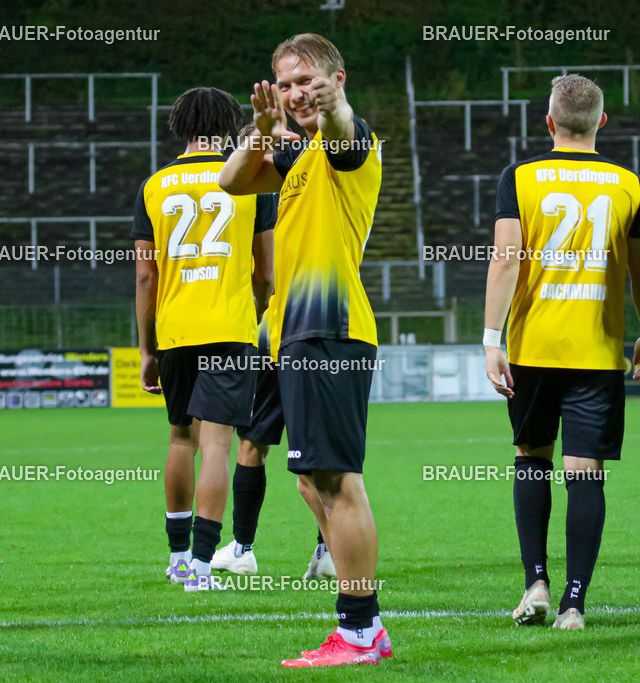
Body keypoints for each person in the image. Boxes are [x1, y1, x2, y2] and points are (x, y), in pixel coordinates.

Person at [219, 33, 389, 667]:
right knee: (310, 481)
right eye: (285, 85)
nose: (296, 95)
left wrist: (334, 105)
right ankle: (361, 623)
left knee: (338, 482)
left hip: (329, 331)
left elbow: (344, 126)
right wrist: (259, 129)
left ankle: (361, 631)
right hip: (292, 334)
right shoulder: (293, 156)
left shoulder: (350, 142)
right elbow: (233, 183)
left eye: (308, 81)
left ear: (338, 78)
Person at [484, 74, 640, 630]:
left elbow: (506, 260)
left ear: (550, 122)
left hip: (534, 347)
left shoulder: (521, 176)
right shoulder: (628, 183)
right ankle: (574, 605)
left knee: (531, 458)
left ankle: (535, 581)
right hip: (596, 352)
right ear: (601, 122)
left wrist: (493, 339)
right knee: (585, 475)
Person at [133, 87, 274, 592]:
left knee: (180, 438)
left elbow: (145, 278)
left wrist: (147, 348)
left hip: (175, 330)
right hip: (228, 328)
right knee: (218, 443)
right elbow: (266, 274)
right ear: (230, 123)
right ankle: (199, 565)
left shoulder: (155, 185)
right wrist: (251, 310)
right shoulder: (251, 180)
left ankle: (175, 558)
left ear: (181, 126)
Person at [212, 124, 335, 580]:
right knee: (281, 448)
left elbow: (262, 273)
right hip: (313, 327)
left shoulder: (259, 195)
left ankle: (251, 548)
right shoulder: (318, 190)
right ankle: (316, 550)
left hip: (283, 329)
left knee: (270, 449)